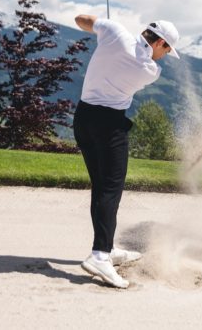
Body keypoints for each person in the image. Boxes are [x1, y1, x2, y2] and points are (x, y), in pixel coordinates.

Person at [73, 15, 180, 288]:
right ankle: (99, 255)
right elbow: (140, 59)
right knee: (111, 189)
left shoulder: (114, 31)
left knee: (101, 187)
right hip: (109, 127)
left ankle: (106, 248)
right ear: (159, 42)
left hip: (83, 120)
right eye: (166, 50)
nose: (165, 57)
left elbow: (81, 19)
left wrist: (105, 28)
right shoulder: (150, 71)